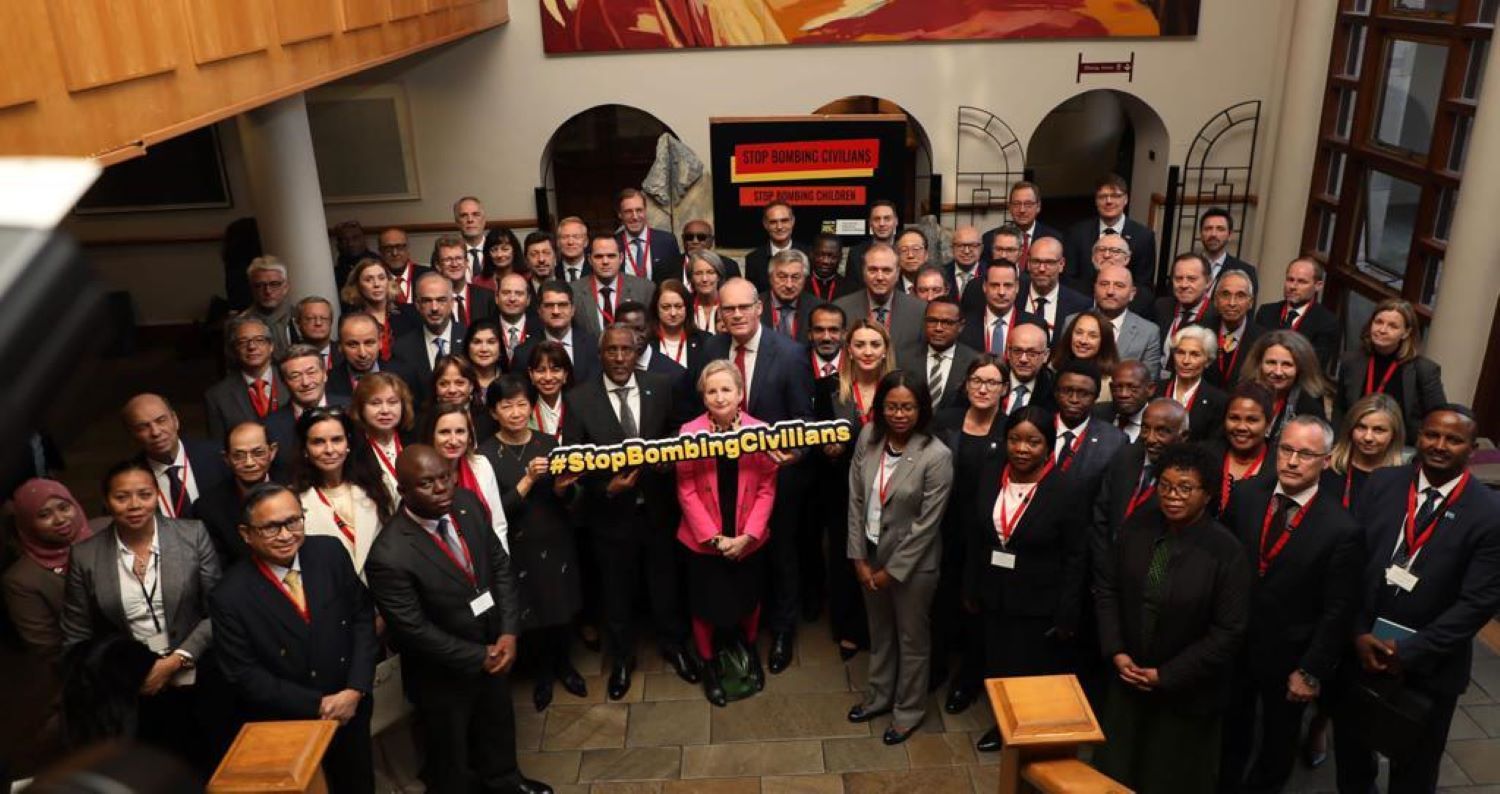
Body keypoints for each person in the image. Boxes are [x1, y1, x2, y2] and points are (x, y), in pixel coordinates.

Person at [365, 446, 551, 794]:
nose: (441, 488)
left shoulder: (465, 503)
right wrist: (478, 656)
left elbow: (499, 567)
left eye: (445, 477)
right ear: (402, 491)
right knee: (451, 751)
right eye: (426, 483)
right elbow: (412, 629)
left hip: (494, 643)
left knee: (497, 723)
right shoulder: (388, 555)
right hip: (443, 671)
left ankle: (506, 781)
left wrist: (509, 632)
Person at [1335, 405, 1500, 794]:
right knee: (1352, 762)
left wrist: (1405, 653)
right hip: (1360, 650)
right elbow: (1349, 562)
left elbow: (1477, 604)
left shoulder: (1490, 513)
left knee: (1414, 774)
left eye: (1454, 439)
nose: (1440, 445)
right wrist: (1357, 631)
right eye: (1431, 435)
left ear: (1472, 448)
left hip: (1430, 668)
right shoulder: (1383, 483)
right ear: (1417, 437)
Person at [1091, 443, 1251, 793]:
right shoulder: (1139, 526)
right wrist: (1117, 652)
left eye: (1185, 488)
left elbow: (1228, 632)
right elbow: (1108, 590)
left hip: (1185, 694)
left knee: (1169, 778)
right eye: (1164, 486)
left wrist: (1166, 675)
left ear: (1207, 493)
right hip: (1128, 678)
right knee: (1114, 773)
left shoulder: (1226, 552)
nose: (1172, 496)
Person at [1218, 416, 1360, 794]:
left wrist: (1311, 670)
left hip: (1290, 656)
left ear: (1326, 461)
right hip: (1235, 644)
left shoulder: (1341, 528)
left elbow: (1338, 609)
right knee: (1231, 732)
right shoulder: (1247, 495)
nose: (1293, 461)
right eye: (1286, 450)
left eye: (1306, 454)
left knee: (1277, 744)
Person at [208, 483, 377, 794]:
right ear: (246, 534)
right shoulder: (230, 595)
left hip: (351, 705)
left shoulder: (328, 551)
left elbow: (362, 619)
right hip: (291, 719)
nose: (286, 535)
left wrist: (355, 688)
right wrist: (320, 704)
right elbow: (243, 672)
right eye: (271, 528)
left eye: (293, 521)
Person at [62, 461, 225, 773]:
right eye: (122, 497)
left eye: (144, 494)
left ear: (156, 496)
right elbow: (76, 636)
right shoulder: (85, 555)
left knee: (209, 762)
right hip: (135, 687)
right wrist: (128, 675)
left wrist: (175, 660)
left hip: (198, 669)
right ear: (107, 501)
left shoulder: (192, 535)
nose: (134, 505)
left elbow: (217, 610)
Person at [562, 325, 696, 697]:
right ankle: (621, 660)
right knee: (616, 594)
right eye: (612, 351)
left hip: (658, 510)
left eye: (627, 350)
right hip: (609, 517)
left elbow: (677, 432)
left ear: (637, 351)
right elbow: (575, 462)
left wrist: (670, 459)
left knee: (665, 584)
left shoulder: (661, 385)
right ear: (600, 354)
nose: (620, 358)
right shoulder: (579, 399)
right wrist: (606, 488)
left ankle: (675, 647)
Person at [705, 278, 815, 674]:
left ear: (759, 308)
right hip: (725, 479)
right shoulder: (711, 348)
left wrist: (794, 454)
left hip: (776, 477)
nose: (735, 315)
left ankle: (783, 630)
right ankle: (741, 630)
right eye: (727, 309)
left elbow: (805, 419)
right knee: (738, 556)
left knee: (782, 554)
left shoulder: (788, 354)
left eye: (742, 308)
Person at [968, 405, 1089, 753]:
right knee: (998, 663)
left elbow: (1075, 556)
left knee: (1029, 669)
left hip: (1039, 601)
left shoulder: (1066, 489)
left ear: (1048, 445)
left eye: (1033, 442)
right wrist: (971, 586)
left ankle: (1024, 731)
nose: (1022, 449)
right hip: (994, 593)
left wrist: (1067, 612)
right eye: (1015, 440)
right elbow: (975, 536)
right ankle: (1002, 722)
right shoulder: (991, 475)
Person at [846, 372, 952, 745]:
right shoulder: (867, 438)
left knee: (912, 639)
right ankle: (878, 697)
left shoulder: (936, 455)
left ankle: (908, 712)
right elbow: (856, 499)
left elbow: (927, 524)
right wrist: (858, 556)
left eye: (908, 406)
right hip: (869, 554)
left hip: (913, 566)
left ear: (921, 409)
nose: (899, 414)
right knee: (880, 633)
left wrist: (892, 571)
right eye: (892, 406)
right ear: (880, 408)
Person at [478, 375, 585, 712]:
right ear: (494, 412)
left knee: (561, 607)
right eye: (506, 406)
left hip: (555, 538)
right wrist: (528, 480)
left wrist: (563, 488)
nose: (515, 412)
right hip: (517, 546)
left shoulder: (549, 442)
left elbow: (573, 502)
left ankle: (566, 667)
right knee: (531, 612)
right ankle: (542, 675)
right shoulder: (484, 456)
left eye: (521, 404)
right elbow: (492, 513)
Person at [675, 361, 779, 705]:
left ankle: (748, 654)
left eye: (726, 390)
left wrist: (748, 536)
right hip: (704, 539)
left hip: (749, 537)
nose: (719, 397)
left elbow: (767, 487)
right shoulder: (688, 432)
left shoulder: (760, 430)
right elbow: (685, 489)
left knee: (749, 601)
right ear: (703, 397)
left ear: (740, 394)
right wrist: (714, 538)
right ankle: (709, 666)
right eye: (712, 391)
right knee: (705, 607)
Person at [815, 320, 896, 659]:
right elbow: (815, 434)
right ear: (849, 350)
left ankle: (880, 628)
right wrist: (826, 450)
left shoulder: (898, 387)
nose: (866, 351)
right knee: (845, 558)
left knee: (883, 556)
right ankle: (849, 629)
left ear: (885, 351)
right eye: (859, 344)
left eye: (874, 345)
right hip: (841, 488)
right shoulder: (827, 388)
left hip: (888, 487)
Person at [932, 355, 1008, 716]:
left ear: (1004, 390)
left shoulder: (1010, 430)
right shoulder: (945, 421)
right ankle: (935, 667)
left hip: (987, 536)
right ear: (965, 383)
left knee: (977, 606)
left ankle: (968, 679)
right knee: (940, 601)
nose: (983, 388)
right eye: (977, 380)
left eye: (992, 382)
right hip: (942, 527)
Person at [293, 409, 394, 577]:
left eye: (337, 440)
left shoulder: (380, 486)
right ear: (305, 449)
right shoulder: (294, 501)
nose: (329, 449)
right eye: (318, 442)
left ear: (348, 444)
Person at [5, 479, 95, 664]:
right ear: (27, 523)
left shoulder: (110, 531)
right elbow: (48, 648)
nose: (60, 519)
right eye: (44, 515)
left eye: (64, 507)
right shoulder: (22, 580)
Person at [1336, 298, 1446, 435]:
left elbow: (1437, 419)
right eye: (1378, 322)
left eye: (1393, 326)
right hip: (1356, 439)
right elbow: (1340, 410)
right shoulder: (1351, 361)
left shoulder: (1424, 370)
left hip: (1402, 446)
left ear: (1406, 333)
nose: (1382, 330)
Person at [122, 393, 231, 521]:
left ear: (175, 420)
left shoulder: (217, 456)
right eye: (143, 427)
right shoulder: (127, 479)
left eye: (161, 420)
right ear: (132, 434)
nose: (155, 432)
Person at [424, 401, 510, 552]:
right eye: (444, 432)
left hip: (485, 558)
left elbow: (498, 525)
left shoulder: (481, 465)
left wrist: (502, 568)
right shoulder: (421, 473)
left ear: (470, 436)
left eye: (460, 431)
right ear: (431, 435)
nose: (453, 440)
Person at [194, 422, 279, 564]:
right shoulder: (208, 507)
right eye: (239, 456)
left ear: (272, 451)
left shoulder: (294, 488)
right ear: (226, 459)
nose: (249, 462)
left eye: (258, 453)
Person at [833, 243, 927, 367]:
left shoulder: (919, 311)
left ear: (898, 273)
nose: (880, 277)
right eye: (873, 270)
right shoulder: (841, 309)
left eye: (886, 270)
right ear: (863, 272)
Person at [1063, 173, 1157, 291]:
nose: (1109, 201)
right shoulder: (1077, 233)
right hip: (1085, 304)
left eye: (1115, 196)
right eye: (1102, 196)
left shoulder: (1143, 237)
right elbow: (1069, 280)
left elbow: (1143, 286)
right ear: (1096, 200)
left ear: (1126, 199)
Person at [205, 316, 291, 440]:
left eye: (259, 340)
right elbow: (217, 446)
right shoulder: (217, 396)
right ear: (234, 349)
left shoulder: (293, 379)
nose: (251, 347)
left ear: (271, 346)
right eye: (243, 342)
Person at [1252, 258, 1340, 371]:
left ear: (1318, 285)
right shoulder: (1266, 312)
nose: (1293, 287)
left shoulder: (1326, 322)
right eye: (1290, 279)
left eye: (1302, 282)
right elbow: (1255, 354)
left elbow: (1315, 366)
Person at [1241, 329, 1331, 439]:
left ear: (1300, 368)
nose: (1278, 372)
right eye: (1271, 362)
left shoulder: (1309, 407)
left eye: (1287, 365)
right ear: (1259, 364)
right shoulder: (1243, 396)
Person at [265, 344, 350, 458]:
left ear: (324, 374)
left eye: (311, 372)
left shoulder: (351, 410)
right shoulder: (271, 427)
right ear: (284, 382)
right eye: (295, 376)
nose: (305, 382)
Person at [512, 281, 601, 385]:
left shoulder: (593, 345)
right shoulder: (523, 353)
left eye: (562, 305)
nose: (556, 311)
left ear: (572, 310)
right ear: (539, 311)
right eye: (549, 305)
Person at [391, 271, 467, 394]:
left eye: (441, 300)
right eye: (427, 301)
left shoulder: (470, 339)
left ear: (452, 303)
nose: (434, 308)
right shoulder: (402, 348)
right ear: (417, 305)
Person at [897, 297, 977, 413]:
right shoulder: (904, 357)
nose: (938, 328)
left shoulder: (973, 362)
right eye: (932, 321)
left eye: (947, 323)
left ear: (960, 326)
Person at [1207, 382, 1276, 513]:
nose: (1241, 427)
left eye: (1252, 420)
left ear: (1268, 423)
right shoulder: (1205, 456)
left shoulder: (1278, 466)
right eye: (1234, 418)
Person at [1329, 393, 1405, 511]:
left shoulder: (1403, 479)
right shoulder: (1328, 468)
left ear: (1394, 435)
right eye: (1361, 427)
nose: (1368, 437)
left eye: (1378, 430)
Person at [1088, 259, 1163, 376]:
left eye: (1119, 286)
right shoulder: (1073, 322)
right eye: (1104, 284)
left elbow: (1149, 381)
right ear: (1094, 288)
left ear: (1132, 293)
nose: (1110, 291)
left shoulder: (1148, 332)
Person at [349, 372, 415, 504]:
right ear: (361, 408)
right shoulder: (353, 451)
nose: (385, 410)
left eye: (392, 402)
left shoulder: (414, 442)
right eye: (375, 403)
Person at [570, 235, 654, 337]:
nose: (605, 262)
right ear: (589, 260)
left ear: (621, 258)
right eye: (599, 256)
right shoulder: (573, 292)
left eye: (611, 256)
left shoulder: (644, 289)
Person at [959, 257, 1040, 357]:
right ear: (984, 287)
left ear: (1017, 287)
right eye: (995, 285)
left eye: (1008, 285)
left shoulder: (1034, 326)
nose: (1001, 292)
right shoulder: (964, 326)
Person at [1163, 325, 1227, 442]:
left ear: (1208, 361)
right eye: (1181, 353)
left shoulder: (1218, 401)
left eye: (1195, 354)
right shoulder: (1157, 389)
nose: (1186, 361)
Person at [1019, 236, 1090, 341]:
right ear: (1028, 264)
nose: (1042, 269)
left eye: (1049, 262)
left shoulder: (1080, 305)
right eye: (1036, 261)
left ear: (1061, 264)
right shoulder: (1014, 297)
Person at [1203, 269, 1263, 390]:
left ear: (1250, 302)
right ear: (1216, 300)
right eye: (1225, 294)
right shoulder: (1200, 331)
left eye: (1240, 296)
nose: (1232, 303)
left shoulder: (1263, 339)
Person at [1153, 253, 1214, 371]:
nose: (1184, 285)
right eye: (1178, 278)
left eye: (1191, 279)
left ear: (1208, 282)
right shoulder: (1161, 307)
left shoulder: (1216, 317)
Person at [982, 181, 1063, 267]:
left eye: (1028, 204)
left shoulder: (1054, 238)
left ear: (1038, 207)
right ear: (1010, 207)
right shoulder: (990, 238)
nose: (1022, 210)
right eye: (1016, 204)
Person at [341, 257, 407, 362]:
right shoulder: (350, 321)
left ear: (389, 282)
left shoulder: (409, 314)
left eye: (381, 278)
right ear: (357, 285)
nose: (377, 284)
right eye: (368, 280)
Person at [614, 187, 682, 283]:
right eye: (628, 211)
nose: (635, 217)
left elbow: (676, 280)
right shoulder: (613, 244)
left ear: (645, 211)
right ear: (620, 214)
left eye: (639, 210)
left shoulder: (667, 241)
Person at [1049, 309, 1119, 400]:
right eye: (1079, 333)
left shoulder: (1111, 383)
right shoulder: (1051, 371)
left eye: (1092, 336)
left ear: (1104, 341)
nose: (1083, 341)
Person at [432, 235, 498, 328]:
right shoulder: (432, 301)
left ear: (466, 262)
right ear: (438, 266)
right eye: (448, 260)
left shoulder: (488, 298)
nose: (454, 264)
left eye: (459, 258)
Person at [649, 278, 711, 372]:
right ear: (656, 309)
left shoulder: (705, 341)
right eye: (666, 307)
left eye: (678, 306)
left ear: (687, 308)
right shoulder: (647, 342)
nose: (673, 313)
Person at [744, 201, 807, 293]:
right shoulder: (753, 260)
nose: (779, 227)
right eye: (773, 222)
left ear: (792, 221)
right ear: (765, 224)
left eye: (784, 221)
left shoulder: (808, 254)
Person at [1198, 207, 1259, 294]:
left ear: (1230, 235)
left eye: (1220, 229)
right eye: (1208, 228)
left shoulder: (1246, 271)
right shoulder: (1184, 267)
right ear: (1201, 233)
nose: (1213, 234)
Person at [1092, 359, 1156, 442]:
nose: (1123, 394)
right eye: (1118, 387)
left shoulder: (1160, 423)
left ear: (1150, 389)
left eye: (1133, 388)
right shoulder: (1096, 414)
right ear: (1111, 388)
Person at [760, 249, 816, 343]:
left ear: (805, 279)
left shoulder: (817, 308)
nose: (789, 285)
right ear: (770, 278)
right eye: (782, 277)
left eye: (795, 277)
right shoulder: (753, 306)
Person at [242, 256, 295, 353]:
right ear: (251, 289)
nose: (268, 291)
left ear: (286, 287)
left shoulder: (300, 318)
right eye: (259, 285)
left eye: (274, 284)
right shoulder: (240, 324)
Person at [524, 340, 573, 440]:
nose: (548, 377)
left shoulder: (578, 406)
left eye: (555, 370)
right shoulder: (524, 410)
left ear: (565, 374)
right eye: (540, 370)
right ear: (531, 374)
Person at [1001, 322, 1054, 414]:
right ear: (1008, 352)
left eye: (1032, 353)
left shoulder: (1053, 390)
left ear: (1046, 355)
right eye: (1017, 351)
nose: (1023, 359)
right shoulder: (993, 379)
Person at [495, 273, 542, 371]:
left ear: (528, 299)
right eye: (506, 293)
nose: (512, 299)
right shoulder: (487, 329)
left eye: (519, 293)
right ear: (496, 298)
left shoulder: (541, 329)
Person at [847, 200, 901, 284]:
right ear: (870, 223)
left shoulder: (904, 251)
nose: (882, 223)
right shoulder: (855, 253)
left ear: (896, 221)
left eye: (887, 219)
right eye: (876, 219)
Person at [678, 219, 742, 282]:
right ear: (683, 239)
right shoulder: (671, 265)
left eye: (701, 237)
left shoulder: (729, 266)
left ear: (711, 241)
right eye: (689, 237)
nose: (695, 241)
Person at [377, 227, 425, 304]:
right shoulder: (375, 280)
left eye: (399, 247)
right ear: (380, 251)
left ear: (407, 248)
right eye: (388, 248)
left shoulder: (426, 275)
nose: (395, 253)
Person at [806, 232, 858, 302]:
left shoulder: (851, 289)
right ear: (811, 254)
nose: (826, 261)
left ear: (840, 257)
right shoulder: (801, 285)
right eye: (821, 255)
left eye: (832, 256)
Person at [942, 225, 986, 306]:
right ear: (952, 248)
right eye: (960, 245)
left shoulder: (990, 274)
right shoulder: (940, 274)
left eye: (973, 245)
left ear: (981, 248)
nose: (966, 251)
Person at [687, 249, 728, 334]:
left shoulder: (730, 305)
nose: (704, 279)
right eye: (698, 273)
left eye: (710, 272)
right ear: (691, 278)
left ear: (719, 276)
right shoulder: (684, 306)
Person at [448, 196, 489, 278]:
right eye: (464, 215)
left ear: (484, 219)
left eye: (476, 214)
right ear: (457, 222)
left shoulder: (497, 251)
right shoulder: (447, 254)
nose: (470, 220)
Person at [466, 319, 505, 403]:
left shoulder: (510, 382)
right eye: (477, 342)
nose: (484, 349)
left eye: (491, 342)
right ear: (468, 347)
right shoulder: (459, 383)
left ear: (500, 347)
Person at [291, 297, 336, 367]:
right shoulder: (289, 358)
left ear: (331, 322)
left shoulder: (345, 354)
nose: (318, 323)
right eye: (310, 318)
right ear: (298, 323)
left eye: (324, 318)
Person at [476, 226, 523, 292]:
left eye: (505, 249)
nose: (499, 255)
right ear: (488, 253)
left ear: (514, 251)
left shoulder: (527, 278)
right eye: (494, 250)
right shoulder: (478, 282)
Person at [893, 228, 931, 295]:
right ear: (896, 255)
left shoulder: (937, 284)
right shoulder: (891, 286)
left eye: (916, 249)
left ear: (926, 254)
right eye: (904, 250)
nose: (910, 255)